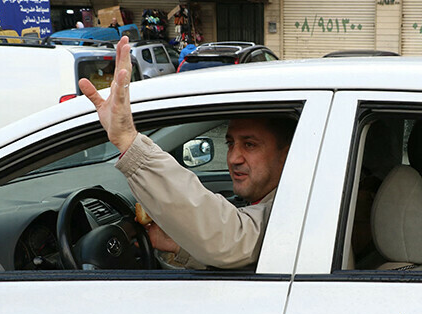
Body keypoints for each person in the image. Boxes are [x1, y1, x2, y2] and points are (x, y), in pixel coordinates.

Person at [78, 36, 296, 269]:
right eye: (231, 143)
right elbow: (251, 265)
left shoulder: (290, 211)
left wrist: (127, 140)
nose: (233, 158)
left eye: (250, 145)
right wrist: (177, 245)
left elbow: (233, 241)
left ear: (287, 155)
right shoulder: (289, 201)